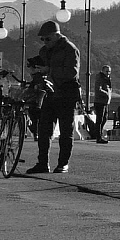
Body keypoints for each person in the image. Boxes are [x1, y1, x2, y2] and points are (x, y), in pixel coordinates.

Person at [26, 21, 82, 174]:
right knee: (44, 130)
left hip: (67, 94)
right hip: (49, 93)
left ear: (57, 36)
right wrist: (34, 67)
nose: (45, 42)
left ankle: (63, 163)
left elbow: (71, 73)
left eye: (47, 39)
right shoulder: (44, 51)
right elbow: (43, 66)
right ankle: (42, 163)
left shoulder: (70, 49)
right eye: (42, 39)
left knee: (66, 131)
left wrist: (49, 70)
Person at [88, 65, 114, 142]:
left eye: (109, 71)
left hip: (105, 102)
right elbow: (98, 89)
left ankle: (99, 133)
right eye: (106, 71)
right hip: (100, 101)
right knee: (100, 119)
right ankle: (98, 137)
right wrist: (107, 94)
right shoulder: (100, 78)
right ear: (102, 71)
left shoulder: (107, 79)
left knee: (105, 118)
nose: (108, 73)